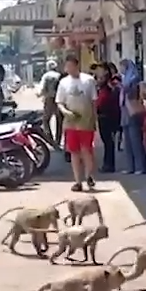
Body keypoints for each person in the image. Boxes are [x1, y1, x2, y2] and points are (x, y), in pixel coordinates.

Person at [55, 53, 98, 192]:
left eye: (71, 66)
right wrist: (65, 112)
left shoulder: (88, 80)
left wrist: (93, 119)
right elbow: (59, 102)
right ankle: (77, 181)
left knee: (87, 150)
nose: (69, 69)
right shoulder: (63, 82)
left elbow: (94, 101)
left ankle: (89, 176)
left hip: (86, 120)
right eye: (67, 66)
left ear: (77, 65)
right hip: (70, 122)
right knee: (74, 152)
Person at [118, 59, 146, 174]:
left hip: (133, 110)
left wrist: (124, 88)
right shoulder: (124, 79)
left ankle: (141, 166)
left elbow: (133, 94)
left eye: (122, 67)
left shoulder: (134, 80)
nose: (121, 70)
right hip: (125, 110)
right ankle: (131, 166)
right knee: (128, 142)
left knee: (136, 140)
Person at [94, 64, 120, 173]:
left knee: (108, 141)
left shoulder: (109, 86)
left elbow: (102, 101)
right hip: (105, 115)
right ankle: (107, 163)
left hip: (107, 116)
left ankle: (109, 165)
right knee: (107, 142)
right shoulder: (103, 86)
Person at [36, 59, 63, 146]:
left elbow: (42, 88)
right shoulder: (59, 75)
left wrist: (39, 94)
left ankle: (50, 138)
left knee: (46, 120)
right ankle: (58, 140)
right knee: (59, 120)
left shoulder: (46, 76)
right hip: (59, 99)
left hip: (49, 99)